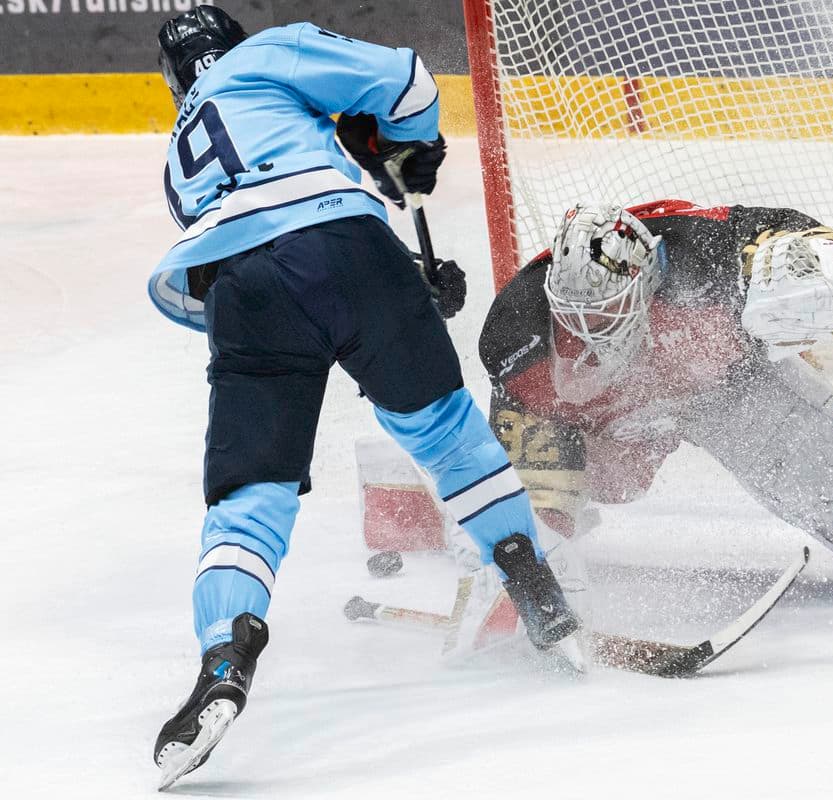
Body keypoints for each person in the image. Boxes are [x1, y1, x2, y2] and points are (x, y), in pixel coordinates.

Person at [148, 7, 580, 789]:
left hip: (246, 296)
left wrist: (391, 252)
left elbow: (266, 251)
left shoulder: (179, 158)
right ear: (233, 46)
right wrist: (407, 150)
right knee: (445, 433)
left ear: (175, 80)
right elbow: (408, 84)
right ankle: (531, 577)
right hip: (346, 247)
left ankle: (223, 657)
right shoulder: (270, 54)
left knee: (251, 497)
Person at [469, 199, 833, 618]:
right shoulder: (515, 334)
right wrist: (534, 546)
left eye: (607, 309)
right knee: (552, 499)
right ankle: (487, 551)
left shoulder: (697, 252)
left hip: (714, 388)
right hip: (614, 418)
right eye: (576, 313)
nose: (588, 329)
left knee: (797, 457)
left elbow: (786, 230)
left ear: (645, 281)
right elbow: (525, 438)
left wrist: (812, 262)